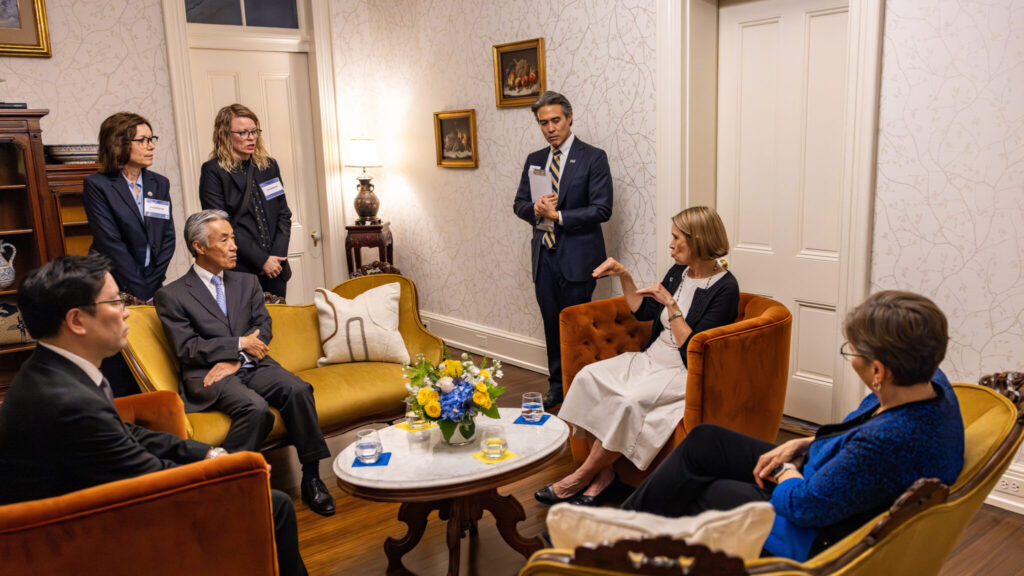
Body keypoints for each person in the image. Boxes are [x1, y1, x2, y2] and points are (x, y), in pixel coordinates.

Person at [0, 255, 308, 576]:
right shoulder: (67, 401)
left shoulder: (53, 369)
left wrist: (211, 454)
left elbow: (128, 435)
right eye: (115, 301)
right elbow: (150, 479)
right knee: (275, 505)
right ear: (77, 321)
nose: (126, 310)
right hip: (77, 538)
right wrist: (233, 475)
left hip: (89, 505)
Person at [620, 290, 965, 562]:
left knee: (700, 490)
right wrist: (804, 443)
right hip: (823, 474)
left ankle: (616, 547)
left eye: (854, 351)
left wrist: (784, 469)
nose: (852, 356)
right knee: (705, 440)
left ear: (879, 372)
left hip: (813, 529)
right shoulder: (929, 381)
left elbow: (804, 506)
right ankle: (621, 529)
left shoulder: (886, 441)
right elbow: (853, 434)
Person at [535, 206, 739, 507]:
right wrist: (624, 276)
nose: (670, 244)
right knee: (589, 377)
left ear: (697, 240)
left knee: (629, 400)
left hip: (684, 369)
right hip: (652, 357)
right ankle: (604, 476)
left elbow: (695, 348)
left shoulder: (725, 288)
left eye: (676, 238)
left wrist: (671, 306)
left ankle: (580, 477)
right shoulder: (678, 273)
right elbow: (643, 311)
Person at [153, 210, 334, 516]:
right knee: (256, 409)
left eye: (233, 238)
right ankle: (226, 483)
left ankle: (312, 478)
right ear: (199, 246)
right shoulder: (172, 295)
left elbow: (263, 329)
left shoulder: (247, 282)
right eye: (224, 239)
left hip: (252, 366)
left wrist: (239, 358)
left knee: (298, 389)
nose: (234, 246)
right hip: (209, 374)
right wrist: (238, 345)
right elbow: (187, 347)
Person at [513, 90, 613, 410]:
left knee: (578, 328)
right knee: (551, 324)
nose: (550, 128)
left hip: (578, 259)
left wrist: (559, 215)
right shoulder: (535, 160)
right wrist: (536, 207)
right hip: (544, 255)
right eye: (544, 123)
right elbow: (519, 205)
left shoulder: (592, 157)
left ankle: (581, 389)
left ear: (570, 118)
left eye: (556, 120)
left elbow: (602, 209)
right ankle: (557, 386)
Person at [198, 103, 292, 299]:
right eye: (243, 133)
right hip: (240, 268)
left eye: (254, 131)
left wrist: (276, 258)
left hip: (276, 268)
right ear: (225, 135)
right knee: (248, 327)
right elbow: (221, 226)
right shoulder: (213, 171)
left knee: (280, 324)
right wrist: (262, 260)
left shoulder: (269, 166)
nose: (251, 138)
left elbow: (283, 214)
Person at [83, 112, 175, 304]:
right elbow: (111, 243)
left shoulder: (159, 183)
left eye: (152, 140)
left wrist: (152, 284)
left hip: (153, 284)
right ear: (118, 144)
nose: (151, 146)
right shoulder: (98, 185)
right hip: (113, 285)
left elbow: (167, 238)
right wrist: (141, 290)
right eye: (142, 140)